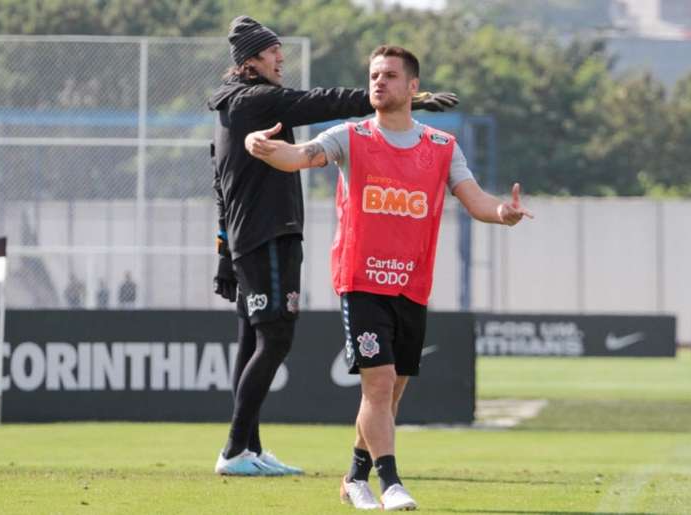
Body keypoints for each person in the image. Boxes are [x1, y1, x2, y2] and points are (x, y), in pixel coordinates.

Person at [245, 45, 533, 509]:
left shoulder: (442, 147)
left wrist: (504, 212)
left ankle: (354, 478)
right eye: (374, 75)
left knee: (392, 391)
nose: (378, 82)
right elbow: (298, 156)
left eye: (390, 75)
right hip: (361, 281)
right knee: (377, 385)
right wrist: (260, 147)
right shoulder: (351, 136)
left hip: (412, 284)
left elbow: (476, 200)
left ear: (413, 87)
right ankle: (391, 483)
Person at [209, 16, 459, 477]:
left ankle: (249, 449)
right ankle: (234, 450)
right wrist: (401, 97)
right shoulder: (255, 99)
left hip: (251, 237)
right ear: (249, 61)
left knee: (253, 338)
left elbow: (220, 181)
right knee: (276, 336)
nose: (280, 58)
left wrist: (224, 250)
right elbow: (316, 102)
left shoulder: (234, 106)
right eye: (271, 52)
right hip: (267, 235)